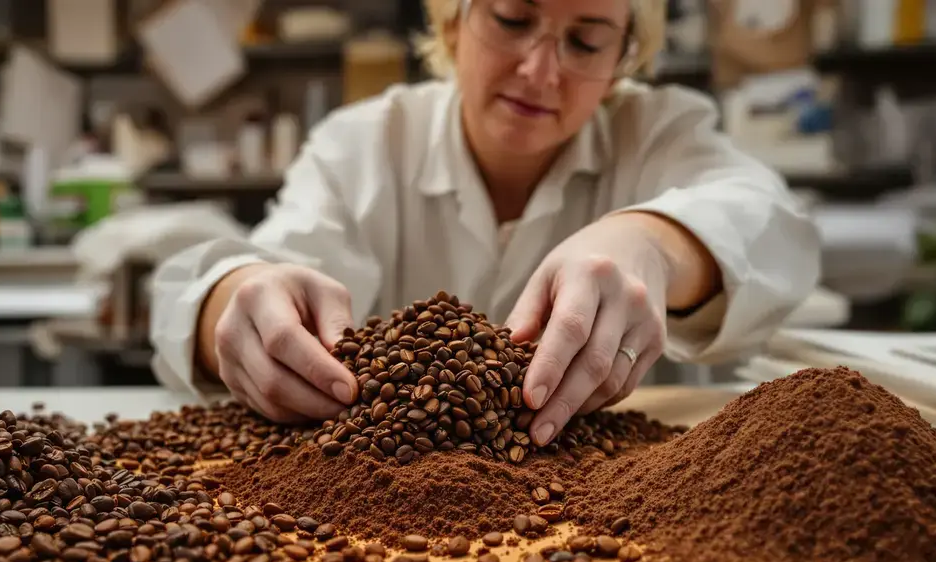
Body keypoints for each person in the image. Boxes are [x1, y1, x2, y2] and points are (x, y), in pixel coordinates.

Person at [150, 0, 820, 447]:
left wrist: (654, 242)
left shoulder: (657, 133)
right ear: (452, 24)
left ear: (622, 62)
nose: (540, 71)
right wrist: (232, 306)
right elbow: (238, 281)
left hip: (620, 501)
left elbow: (774, 226)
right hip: (383, 504)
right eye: (511, 18)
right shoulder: (363, 145)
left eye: (586, 41)